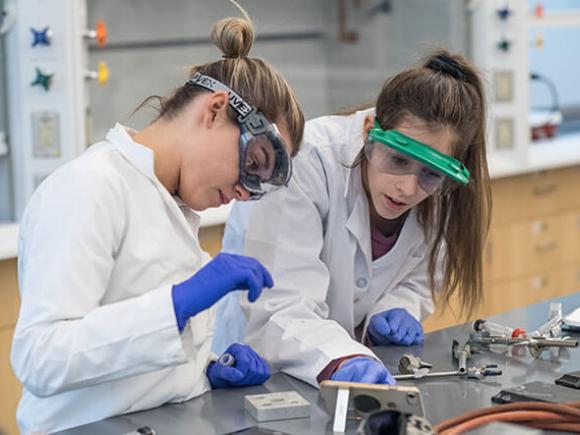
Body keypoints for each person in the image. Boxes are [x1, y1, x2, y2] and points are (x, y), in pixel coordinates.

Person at [10, 2, 304, 433]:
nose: (247, 190)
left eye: (263, 181)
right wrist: (178, 304)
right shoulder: (89, 188)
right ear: (215, 109)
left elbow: (130, 355)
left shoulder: (172, 204)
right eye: (253, 162)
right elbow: (41, 357)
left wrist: (205, 368)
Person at [217, 49, 491, 387]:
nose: (407, 188)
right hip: (258, 369)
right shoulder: (306, 163)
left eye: (430, 174)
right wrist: (342, 358)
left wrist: (398, 306)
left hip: (344, 371)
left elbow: (419, 276)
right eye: (398, 159)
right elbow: (281, 307)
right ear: (368, 131)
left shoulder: (442, 189)